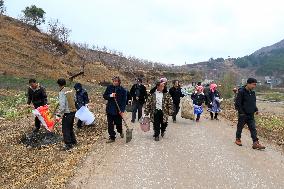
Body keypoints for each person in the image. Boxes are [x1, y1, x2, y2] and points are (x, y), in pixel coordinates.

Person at [234, 78, 265, 150]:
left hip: (251, 114)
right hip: (243, 114)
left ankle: (255, 143)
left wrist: (256, 109)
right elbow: (237, 104)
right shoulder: (241, 92)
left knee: (253, 128)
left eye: (255, 85)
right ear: (248, 83)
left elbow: (253, 103)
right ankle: (238, 139)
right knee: (240, 127)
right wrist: (241, 113)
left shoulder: (253, 93)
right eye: (253, 84)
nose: (254, 86)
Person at [103, 76, 127, 143]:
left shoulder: (123, 90)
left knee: (118, 123)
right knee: (110, 124)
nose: (114, 82)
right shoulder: (109, 88)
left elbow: (124, 102)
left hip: (118, 110)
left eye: (116, 81)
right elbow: (104, 96)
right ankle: (112, 137)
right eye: (114, 81)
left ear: (119, 82)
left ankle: (120, 131)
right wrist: (110, 95)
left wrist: (122, 111)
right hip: (110, 109)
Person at [57, 78, 77, 150]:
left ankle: (68, 144)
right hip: (73, 111)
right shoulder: (70, 90)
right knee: (70, 127)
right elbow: (75, 99)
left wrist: (59, 114)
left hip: (67, 112)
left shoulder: (62, 92)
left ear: (59, 84)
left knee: (65, 129)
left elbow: (62, 106)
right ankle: (73, 141)